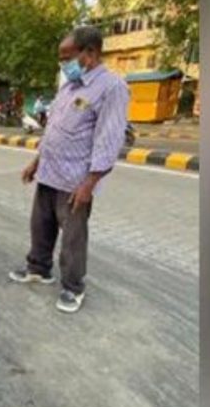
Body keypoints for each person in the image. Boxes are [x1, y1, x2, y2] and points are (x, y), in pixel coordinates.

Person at [9, 26, 130, 313]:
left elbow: (109, 139)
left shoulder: (112, 87)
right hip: (49, 172)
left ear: (90, 53)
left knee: (73, 237)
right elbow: (55, 129)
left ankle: (73, 287)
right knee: (41, 225)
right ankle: (39, 268)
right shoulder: (69, 86)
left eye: (67, 57)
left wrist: (89, 184)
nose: (63, 63)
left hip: (76, 181)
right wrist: (36, 162)